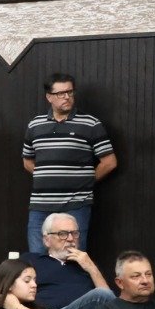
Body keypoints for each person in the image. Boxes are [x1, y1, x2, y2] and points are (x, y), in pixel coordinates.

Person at [23, 72, 117, 253]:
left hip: (76, 205)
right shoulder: (35, 125)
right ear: (49, 97)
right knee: (38, 256)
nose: (67, 97)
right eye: (60, 93)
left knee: (74, 256)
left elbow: (109, 162)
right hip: (40, 206)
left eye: (70, 92)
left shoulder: (90, 124)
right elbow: (27, 160)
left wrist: (85, 182)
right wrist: (46, 177)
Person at [21, 212, 117, 309]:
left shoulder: (86, 265)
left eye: (74, 233)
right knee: (99, 296)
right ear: (47, 240)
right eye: (63, 234)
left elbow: (110, 304)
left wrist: (91, 267)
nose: (71, 239)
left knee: (103, 299)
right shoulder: (32, 260)